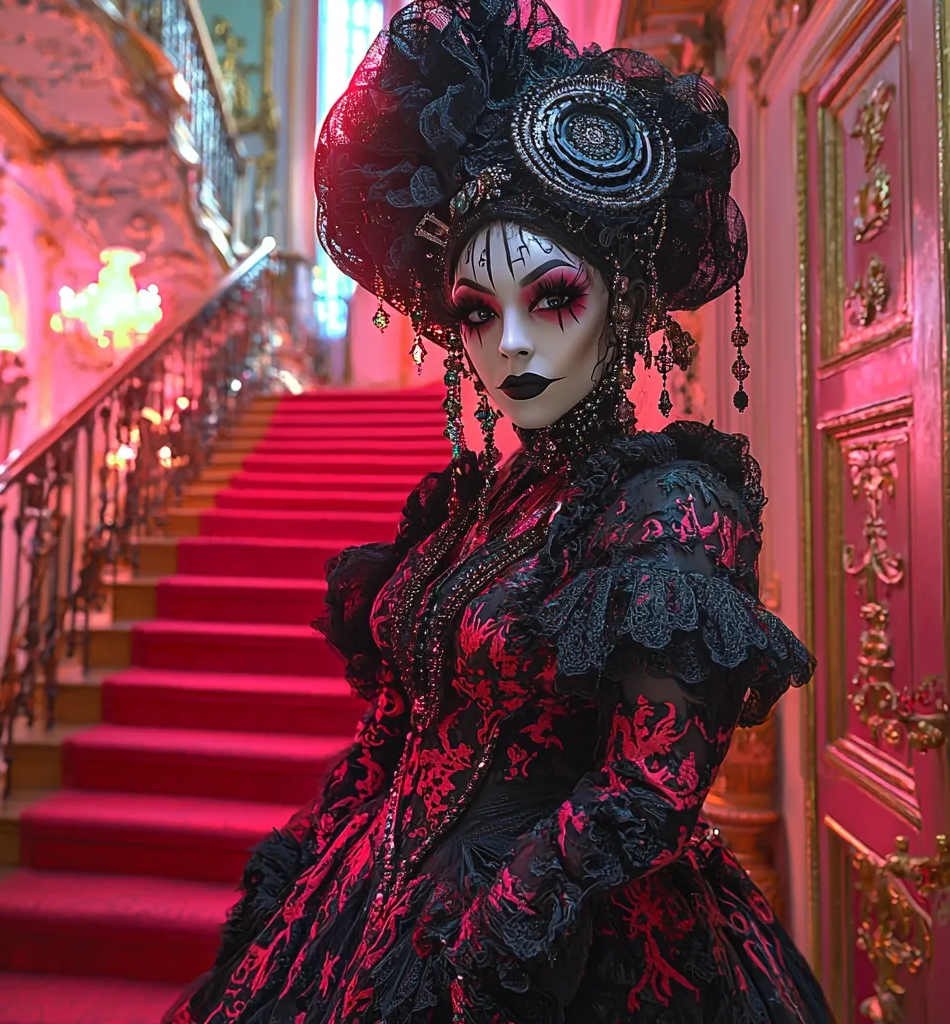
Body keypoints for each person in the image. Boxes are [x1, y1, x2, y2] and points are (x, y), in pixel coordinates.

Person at [166, 2, 832, 1021]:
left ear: (622, 301)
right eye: (478, 311)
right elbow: (399, 726)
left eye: (551, 298)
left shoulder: (670, 508)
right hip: (364, 906)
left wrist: (484, 942)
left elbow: (649, 787)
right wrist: (323, 858)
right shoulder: (471, 507)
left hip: (553, 952)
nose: (508, 342)